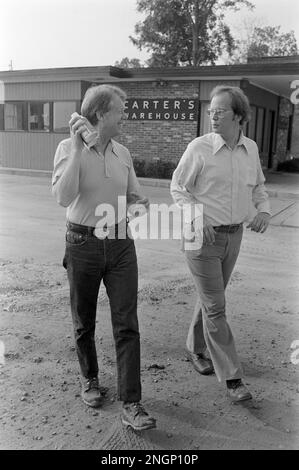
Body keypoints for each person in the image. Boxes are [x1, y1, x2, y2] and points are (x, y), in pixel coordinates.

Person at [52, 84, 156, 431]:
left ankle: (132, 403)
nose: (124, 113)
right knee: (84, 320)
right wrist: (81, 150)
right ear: (100, 113)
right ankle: (90, 379)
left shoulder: (123, 152)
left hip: (121, 241)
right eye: (120, 109)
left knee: (127, 324)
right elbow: (64, 198)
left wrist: (141, 204)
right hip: (82, 243)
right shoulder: (68, 147)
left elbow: (134, 194)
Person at [170, 85, 271, 402]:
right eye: (210, 110)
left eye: (220, 110)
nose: (212, 115)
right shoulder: (199, 148)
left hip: (234, 236)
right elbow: (178, 189)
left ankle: (194, 347)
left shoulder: (250, 149)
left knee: (212, 298)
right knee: (216, 305)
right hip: (201, 236)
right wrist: (196, 217)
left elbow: (259, 189)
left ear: (239, 116)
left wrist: (264, 211)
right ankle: (232, 378)